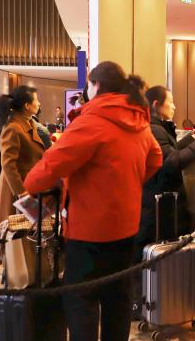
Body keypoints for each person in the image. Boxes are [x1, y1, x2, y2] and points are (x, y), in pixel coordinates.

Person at [24, 61, 162, 341]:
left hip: (87, 233)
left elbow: (40, 175)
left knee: (80, 301)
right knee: (118, 300)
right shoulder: (139, 121)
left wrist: (51, 184)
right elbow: (155, 159)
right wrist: (126, 184)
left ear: (95, 86)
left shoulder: (91, 121)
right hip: (126, 229)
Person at [136, 86, 195, 251]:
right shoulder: (155, 129)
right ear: (156, 105)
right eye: (170, 102)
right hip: (160, 205)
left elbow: (168, 151)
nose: (174, 106)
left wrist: (190, 140)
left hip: (158, 202)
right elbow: (171, 162)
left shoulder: (155, 127)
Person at [0, 86, 47, 232]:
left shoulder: (28, 123)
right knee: (16, 231)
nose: (39, 103)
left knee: (29, 231)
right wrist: (20, 191)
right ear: (27, 105)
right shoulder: (13, 127)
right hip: (16, 188)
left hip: (27, 184)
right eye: (36, 100)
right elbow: (8, 164)